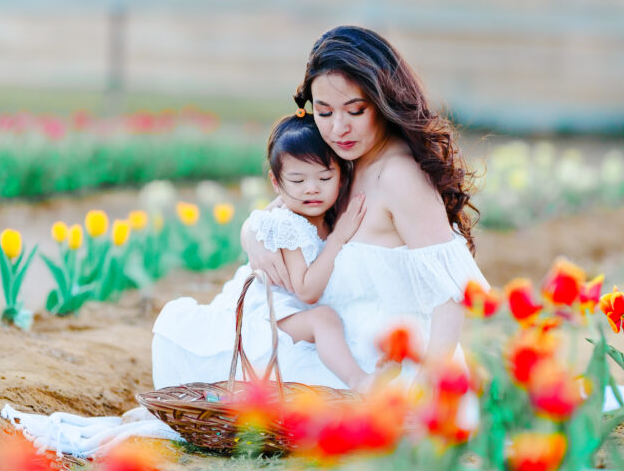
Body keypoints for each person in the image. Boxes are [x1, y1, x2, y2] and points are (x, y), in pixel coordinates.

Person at [241, 25, 490, 384]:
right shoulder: (343, 161)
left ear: (383, 103)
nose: (338, 127)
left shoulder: (398, 176)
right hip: (338, 350)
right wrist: (251, 235)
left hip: (392, 363)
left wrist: (427, 388)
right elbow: (277, 210)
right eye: (324, 113)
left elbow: (451, 296)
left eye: (355, 111)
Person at [151, 113, 376, 392]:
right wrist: (339, 238)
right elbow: (306, 290)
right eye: (297, 180)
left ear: (341, 177)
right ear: (276, 183)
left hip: (291, 308)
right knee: (324, 319)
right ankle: (359, 381)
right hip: (269, 314)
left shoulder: (324, 215)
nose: (312, 189)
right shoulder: (287, 224)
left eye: (324, 177)